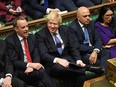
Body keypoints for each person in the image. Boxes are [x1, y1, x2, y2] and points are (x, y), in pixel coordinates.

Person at [36, 11, 85, 87]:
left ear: (59, 24)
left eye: (55, 24)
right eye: (50, 23)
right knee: (62, 69)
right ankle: (85, 68)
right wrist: (58, 60)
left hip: (68, 61)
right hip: (53, 64)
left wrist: (78, 60)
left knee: (81, 75)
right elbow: (43, 55)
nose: (52, 26)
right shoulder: (40, 34)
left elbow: (73, 47)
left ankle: (80, 69)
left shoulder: (65, 30)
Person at [5, 16, 57, 87]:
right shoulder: (10, 41)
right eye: (23, 27)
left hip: (33, 69)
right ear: (16, 29)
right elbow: (15, 62)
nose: (26, 29)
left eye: (27, 26)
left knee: (41, 85)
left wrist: (33, 66)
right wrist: (29, 65)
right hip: (21, 71)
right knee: (42, 72)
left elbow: (36, 55)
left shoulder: (32, 37)